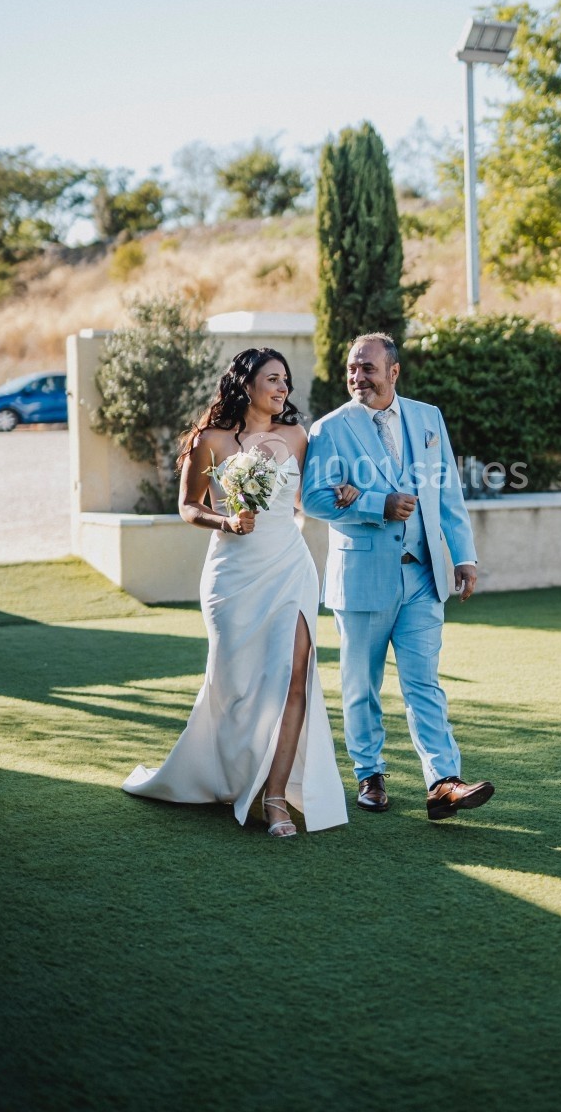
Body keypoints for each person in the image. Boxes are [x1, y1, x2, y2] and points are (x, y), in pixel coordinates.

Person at [122, 348, 348, 839]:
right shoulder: (210, 440)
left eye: (286, 379)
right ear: (246, 385)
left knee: (294, 675)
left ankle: (275, 796)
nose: (283, 388)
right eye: (273, 379)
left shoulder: (297, 436)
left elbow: (308, 498)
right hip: (232, 575)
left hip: (289, 567)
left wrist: (342, 494)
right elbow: (188, 506)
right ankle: (228, 775)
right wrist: (225, 520)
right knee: (237, 686)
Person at [301, 332, 495, 821]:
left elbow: (446, 491)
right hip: (362, 579)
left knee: (424, 683)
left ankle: (443, 781)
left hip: (424, 576)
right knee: (361, 685)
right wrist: (376, 505)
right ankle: (369, 773)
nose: (357, 376)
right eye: (351, 368)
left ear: (393, 372)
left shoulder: (428, 418)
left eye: (367, 368)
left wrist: (464, 555)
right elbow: (315, 499)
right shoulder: (329, 429)